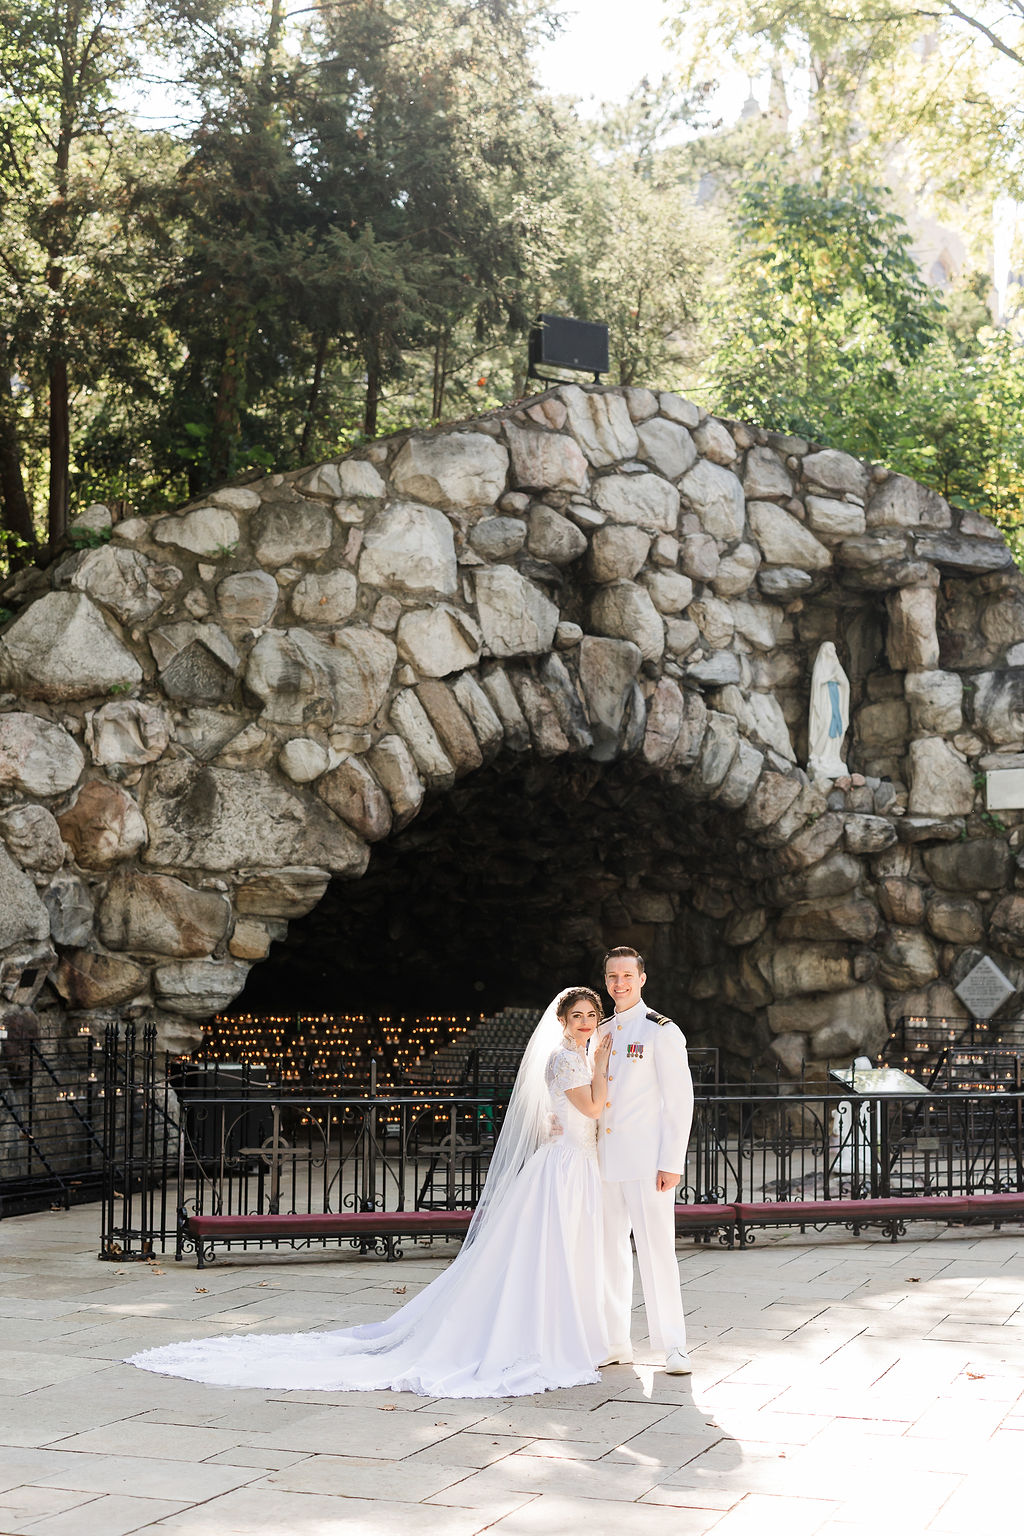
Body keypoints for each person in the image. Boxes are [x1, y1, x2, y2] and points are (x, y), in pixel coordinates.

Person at [126, 988, 613, 1398]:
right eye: (579, 1016)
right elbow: (591, 1109)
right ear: (562, 1021)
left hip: (576, 1162)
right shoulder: (567, 1059)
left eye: (593, 1016)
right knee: (550, 1255)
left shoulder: (578, 1056)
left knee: (566, 1255)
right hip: (565, 1167)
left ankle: (573, 1333)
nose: (588, 1023)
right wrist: (608, 1067)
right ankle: (546, 1338)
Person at [598, 946, 694, 1375]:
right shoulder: (600, 1030)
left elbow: (679, 1102)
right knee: (608, 1251)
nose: (619, 984)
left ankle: (674, 1345)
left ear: (642, 979)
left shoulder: (661, 1031)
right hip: (603, 1161)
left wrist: (671, 1160)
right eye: (612, 977)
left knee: (657, 1252)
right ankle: (616, 1340)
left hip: (646, 1161)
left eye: (626, 976)